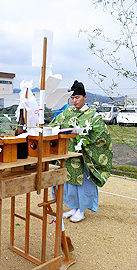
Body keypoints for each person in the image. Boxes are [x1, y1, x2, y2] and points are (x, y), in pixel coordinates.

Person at [49, 80, 112, 222]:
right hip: (67, 154)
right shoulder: (67, 112)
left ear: (85, 97)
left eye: (77, 98)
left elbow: (101, 134)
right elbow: (54, 124)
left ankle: (82, 209)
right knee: (69, 183)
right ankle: (74, 207)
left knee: (83, 183)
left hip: (83, 155)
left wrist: (85, 136)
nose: (74, 101)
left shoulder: (93, 115)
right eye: (72, 98)